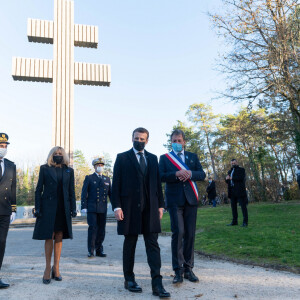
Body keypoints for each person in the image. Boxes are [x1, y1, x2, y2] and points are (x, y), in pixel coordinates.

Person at [111, 127, 170, 298]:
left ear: (147, 140)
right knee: (130, 244)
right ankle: (129, 279)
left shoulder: (152, 159)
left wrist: (160, 205)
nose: (139, 141)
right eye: (136, 138)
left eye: (142, 139)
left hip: (150, 209)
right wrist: (117, 207)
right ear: (132, 139)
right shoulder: (122, 158)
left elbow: (158, 184)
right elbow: (116, 185)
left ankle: (157, 284)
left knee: (153, 245)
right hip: (129, 209)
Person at [159, 129, 206, 284]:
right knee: (178, 233)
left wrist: (190, 174)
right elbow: (161, 176)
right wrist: (176, 174)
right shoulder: (165, 158)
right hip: (174, 201)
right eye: (174, 141)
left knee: (190, 234)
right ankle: (177, 270)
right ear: (171, 142)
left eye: (179, 141)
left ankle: (188, 269)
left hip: (191, 200)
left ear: (184, 142)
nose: (177, 143)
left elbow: (202, 174)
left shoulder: (192, 157)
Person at [32, 146, 77, 284]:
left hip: (63, 207)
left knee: (59, 235)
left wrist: (73, 208)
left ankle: (56, 268)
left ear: (63, 156)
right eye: (55, 153)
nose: (58, 155)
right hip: (48, 207)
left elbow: (71, 191)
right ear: (51, 155)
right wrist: (38, 208)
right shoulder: (45, 168)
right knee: (49, 235)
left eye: (60, 153)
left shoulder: (69, 170)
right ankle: (47, 269)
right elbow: (39, 189)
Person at [81, 157, 111, 258]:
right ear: (94, 167)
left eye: (101, 165)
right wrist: (84, 206)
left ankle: (99, 249)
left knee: (101, 230)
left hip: (103, 208)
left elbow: (111, 194)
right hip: (92, 208)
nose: (100, 167)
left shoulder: (107, 179)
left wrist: (116, 206)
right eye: (98, 165)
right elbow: (84, 193)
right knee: (93, 228)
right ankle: (91, 250)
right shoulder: (89, 178)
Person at [0, 133, 16, 289]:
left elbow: (13, 188)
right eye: (0, 146)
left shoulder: (11, 165)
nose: (3, 148)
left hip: (4, 210)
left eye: (5, 146)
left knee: (1, 243)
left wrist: (14, 208)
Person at [225, 159, 248, 227]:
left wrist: (232, 178)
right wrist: (226, 179)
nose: (233, 164)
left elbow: (241, 178)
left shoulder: (241, 170)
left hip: (240, 191)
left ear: (237, 163)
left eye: (234, 163)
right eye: (232, 163)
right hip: (232, 192)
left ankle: (245, 222)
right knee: (233, 207)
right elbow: (229, 181)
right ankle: (234, 221)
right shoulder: (230, 171)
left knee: (243, 207)